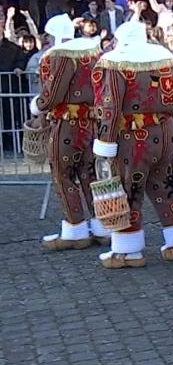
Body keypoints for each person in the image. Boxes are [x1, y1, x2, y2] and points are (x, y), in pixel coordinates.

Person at [91, 20, 173, 269]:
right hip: (164, 130)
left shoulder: (116, 64)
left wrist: (104, 143)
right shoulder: (163, 59)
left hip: (133, 134)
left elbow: (110, 106)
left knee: (129, 190)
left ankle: (128, 251)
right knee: (165, 185)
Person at [29, 14, 110, 250]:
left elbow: (53, 94)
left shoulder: (63, 57)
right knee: (89, 175)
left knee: (63, 174)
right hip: (90, 123)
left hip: (67, 124)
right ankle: (101, 226)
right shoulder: (91, 54)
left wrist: (38, 105)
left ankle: (75, 228)